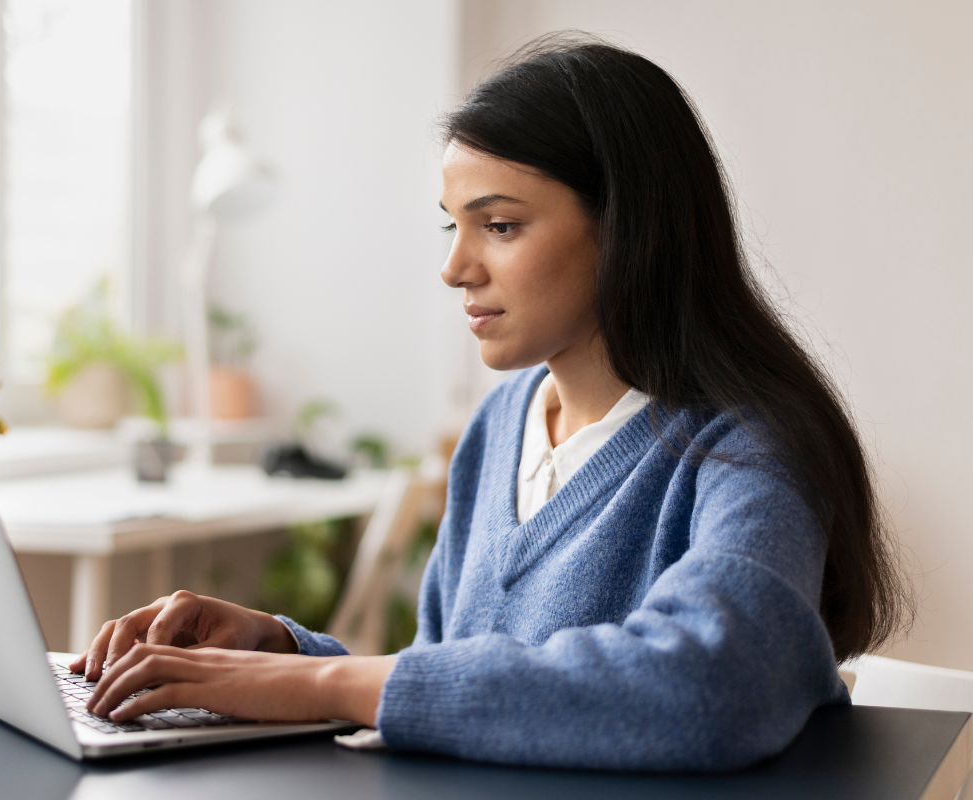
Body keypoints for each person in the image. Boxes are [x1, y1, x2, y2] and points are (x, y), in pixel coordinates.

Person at [70, 33, 907, 770]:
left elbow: (715, 686)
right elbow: (452, 672)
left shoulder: (749, 449)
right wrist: (281, 649)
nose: (456, 267)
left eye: (499, 226)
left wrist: (314, 678)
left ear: (630, 230)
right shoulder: (499, 427)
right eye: (452, 227)